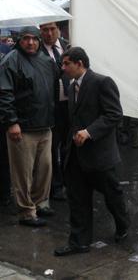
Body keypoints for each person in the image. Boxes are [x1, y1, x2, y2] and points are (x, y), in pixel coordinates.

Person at [54, 47, 130, 256]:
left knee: (112, 196)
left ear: (80, 64)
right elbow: (73, 119)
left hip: (100, 156)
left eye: (66, 63)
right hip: (76, 155)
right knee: (77, 199)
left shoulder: (102, 82)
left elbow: (114, 114)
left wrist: (89, 132)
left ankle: (123, 224)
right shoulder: (70, 87)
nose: (63, 68)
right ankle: (79, 241)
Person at [0, 26, 57, 227]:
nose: (30, 42)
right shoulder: (11, 60)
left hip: (45, 125)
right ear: (19, 40)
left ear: (39, 41)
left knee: (45, 168)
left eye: (34, 38)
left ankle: (40, 203)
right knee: (22, 173)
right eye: (26, 38)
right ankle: (26, 212)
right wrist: (11, 122)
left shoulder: (45, 60)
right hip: (22, 128)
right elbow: (4, 94)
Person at [40, 22, 70, 200]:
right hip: (50, 107)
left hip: (69, 106)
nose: (50, 33)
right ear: (40, 32)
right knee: (51, 149)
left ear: (58, 29)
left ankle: (69, 182)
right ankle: (55, 186)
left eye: (52, 29)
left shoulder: (68, 46)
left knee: (69, 147)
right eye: (45, 30)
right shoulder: (37, 51)